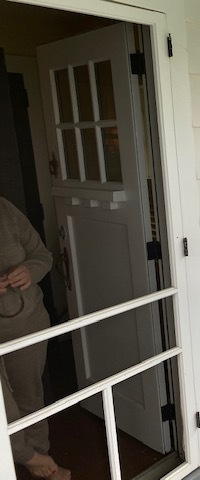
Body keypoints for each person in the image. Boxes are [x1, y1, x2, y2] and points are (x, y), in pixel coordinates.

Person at [0, 196, 71, 480]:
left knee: (30, 396)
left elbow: (42, 254)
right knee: (2, 403)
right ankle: (29, 458)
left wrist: (30, 271)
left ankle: (40, 459)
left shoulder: (5, 208)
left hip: (26, 323)